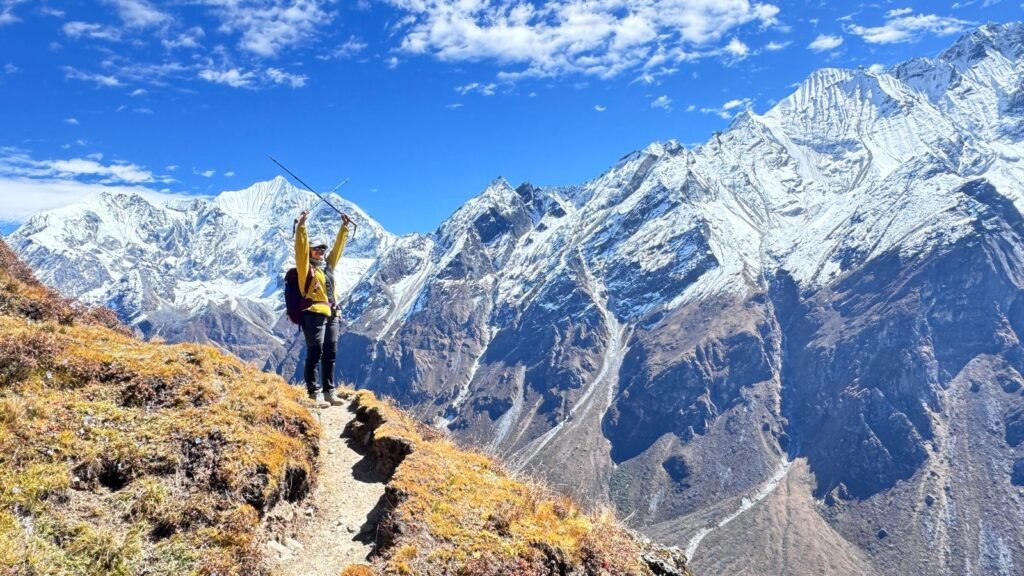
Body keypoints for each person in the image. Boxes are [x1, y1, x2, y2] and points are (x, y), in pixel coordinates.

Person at [294, 209, 350, 407]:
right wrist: (301, 227)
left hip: (332, 314)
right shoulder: (304, 268)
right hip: (313, 315)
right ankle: (313, 393)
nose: (321, 252)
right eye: (317, 249)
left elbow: (337, 251)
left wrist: (344, 228)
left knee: (330, 354)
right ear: (309, 250)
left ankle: (329, 391)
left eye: (322, 250)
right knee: (314, 353)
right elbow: (300, 249)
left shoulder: (327, 267)